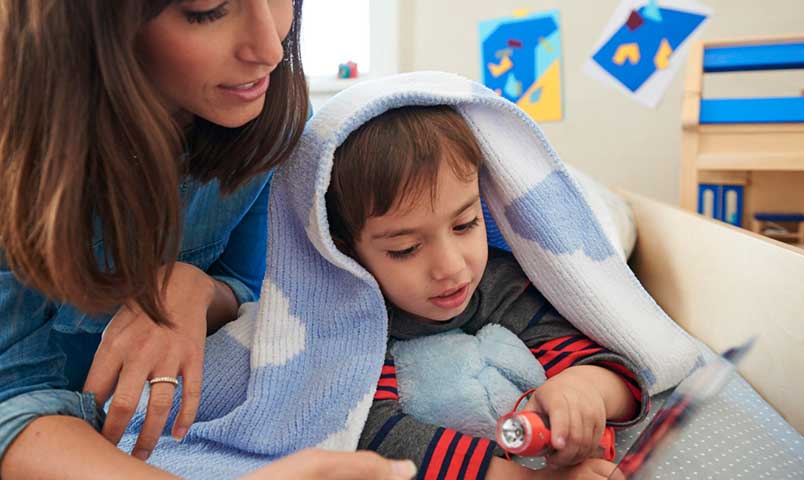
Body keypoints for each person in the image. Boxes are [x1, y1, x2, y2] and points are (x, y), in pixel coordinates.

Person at [0, 1, 415, 479]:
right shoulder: (22, 158)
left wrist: (194, 290)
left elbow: (259, 287)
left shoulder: (271, 123)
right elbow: (12, 399)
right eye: (208, 11)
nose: (269, 49)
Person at [325, 105, 650, 480]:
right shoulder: (353, 319)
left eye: (465, 224)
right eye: (406, 249)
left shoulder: (501, 282)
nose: (451, 267)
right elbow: (371, 435)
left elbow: (617, 373)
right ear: (348, 252)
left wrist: (583, 390)